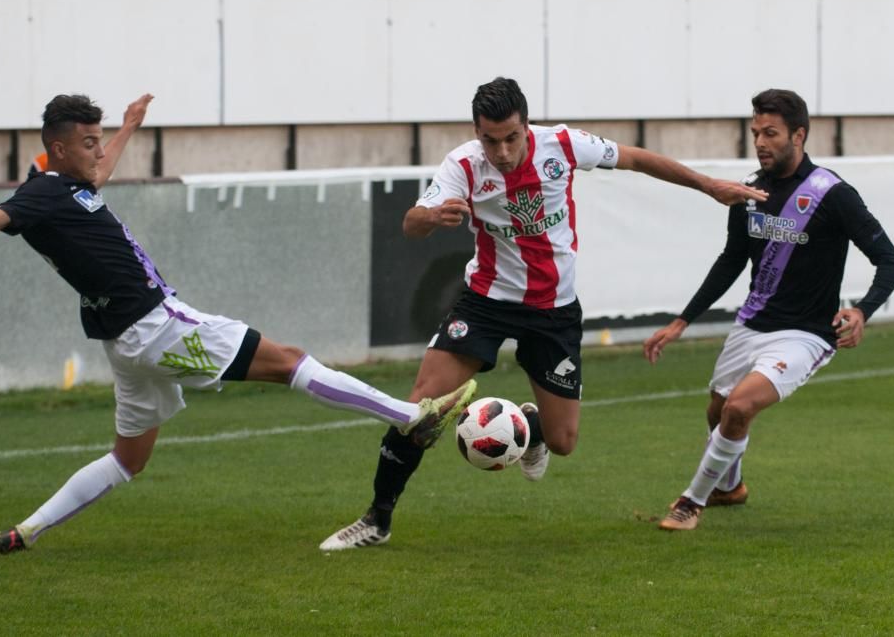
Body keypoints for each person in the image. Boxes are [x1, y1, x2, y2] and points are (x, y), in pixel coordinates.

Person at [0, 93, 476, 554]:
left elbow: (100, 170)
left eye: (100, 140)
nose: (99, 151)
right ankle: (411, 416)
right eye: (89, 142)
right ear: (58, 149)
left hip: (124, 342)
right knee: (288, 362)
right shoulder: (41, 193)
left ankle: (25, 532)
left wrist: (129, 128)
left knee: (127, 460)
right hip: (157, 326)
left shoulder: (73, 185)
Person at [319, 77, 768, 551]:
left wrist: (707, 185)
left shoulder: (563, 145)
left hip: (553, 312)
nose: (503, 151)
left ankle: (529, 426)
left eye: (512, 137)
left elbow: (636, 157)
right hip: (485, 303)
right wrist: (431, 218)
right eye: (491, 140)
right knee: (421, 411)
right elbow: (412, 224)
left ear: (526, 125)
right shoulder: (464, 166)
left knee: (563, 441)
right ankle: (376, 519)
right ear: (477, 132)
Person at [644, 88, 894, 531]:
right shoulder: (750, 192)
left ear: (798, 135)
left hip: (806, 333)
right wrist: (682, 320)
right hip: (751, 324)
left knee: (739, 409)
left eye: (771, 133)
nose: (761, 142)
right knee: (718, 412)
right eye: (755, 133)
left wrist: (862, 310)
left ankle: (692, 502)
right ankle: (731, 487)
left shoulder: (832, 193)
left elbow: (890, 261)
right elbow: (731, 260)